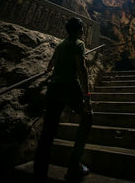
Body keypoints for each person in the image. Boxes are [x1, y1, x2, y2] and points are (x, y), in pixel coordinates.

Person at [33, 17, 92, 182]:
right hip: (69, 86)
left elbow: (50, 66)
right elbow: (82, 69)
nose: (83, 31)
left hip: (54, 88)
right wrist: (87, 96)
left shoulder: (60, 45)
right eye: (82, 29)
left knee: (48, 133)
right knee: (87, 118)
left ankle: (39, 173)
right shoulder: (78, 44)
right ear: (79, 30)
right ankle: (74, 166)